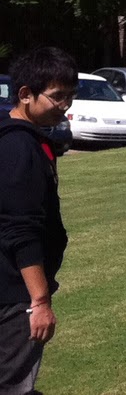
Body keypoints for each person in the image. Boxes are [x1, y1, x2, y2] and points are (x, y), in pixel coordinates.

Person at [0, 47, 75, 395]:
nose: (66, 106)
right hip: (14, 293)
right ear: (26, 95)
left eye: (70, 97)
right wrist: (39, 302)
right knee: (14, 385)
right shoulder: (19, 147)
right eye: (58, 97)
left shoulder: (15, 138)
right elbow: (21, 229)